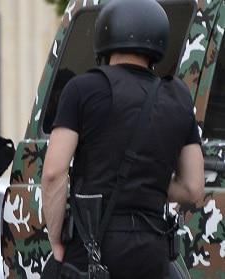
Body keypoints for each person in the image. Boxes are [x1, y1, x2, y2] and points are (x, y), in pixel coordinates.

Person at [41, 0, 205, 278]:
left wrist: (56, 241)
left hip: (94, 247)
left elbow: (54, 174)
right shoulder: (177, 98)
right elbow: (192, 188)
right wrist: (146, 182)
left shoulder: (82, 89)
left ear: (105, 36)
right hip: (152, 251)